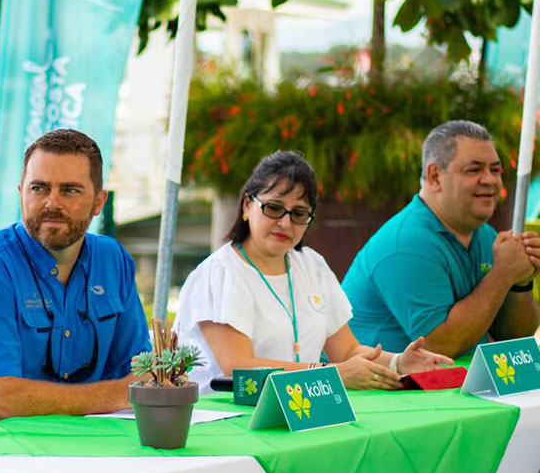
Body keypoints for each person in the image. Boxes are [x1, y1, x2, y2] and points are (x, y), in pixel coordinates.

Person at [0, 129, 150, 430]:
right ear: (21, 192)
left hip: (66, 440)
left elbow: (142, 370)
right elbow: (3, 402)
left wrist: (152, 382)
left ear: (99, 202)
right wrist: (122, 394)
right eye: (39, 188)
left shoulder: (112, 260)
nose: (52, 203)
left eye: (70, 190)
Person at [174, 151, 453, 393]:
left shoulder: (311, 265)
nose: (285, 223)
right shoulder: (221, 273)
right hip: (225, 418)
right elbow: (239, 368)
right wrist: (333, 374)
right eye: (274, 208)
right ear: (248, 205)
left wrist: (398, 363)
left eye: (298, 214)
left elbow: (347, 351)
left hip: (299, 407)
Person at [342, 120, 540, 358]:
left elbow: (516, 337)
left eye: (495, 170)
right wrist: (502, 274)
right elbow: (439, 347)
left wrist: (520, 282)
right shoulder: (407, 244)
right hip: (378, 381)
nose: (490, 180)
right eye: (474, 170)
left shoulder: (486, 237)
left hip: (445, 378)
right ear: (435, 176)